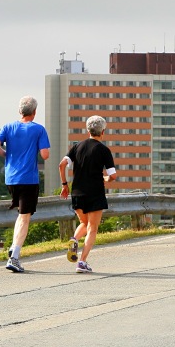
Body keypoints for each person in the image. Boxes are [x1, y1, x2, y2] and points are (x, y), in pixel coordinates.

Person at [0, 95, 51, 272]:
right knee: (25, 217)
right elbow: (45, 155)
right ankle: (14, 258)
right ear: (34, 112)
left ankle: (13, 246)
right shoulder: (38, 129)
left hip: (11, 178)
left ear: (20, 111)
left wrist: (6, 155)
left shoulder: (8, 127)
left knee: (22, 214)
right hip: (28, 179)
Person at [58, 115, 117, 273]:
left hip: (77, 192)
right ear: (102, 131)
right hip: (95, 193)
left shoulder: (77, 146)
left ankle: (74, 239)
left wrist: (64, 185)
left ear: (88, 130)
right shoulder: (103, 150)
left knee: (84, 223)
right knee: (92, 228)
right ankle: (82, 262)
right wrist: (107, 179)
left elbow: (62, 165)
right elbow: (113, 175)